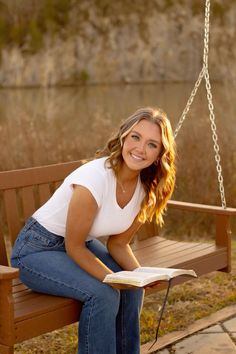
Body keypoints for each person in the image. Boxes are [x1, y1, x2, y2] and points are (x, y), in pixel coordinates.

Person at [11, 106, 176, 354]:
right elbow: (74, 246)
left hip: (78, 246)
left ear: (160, 154)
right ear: (123, 136)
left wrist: (139, 275)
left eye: (152, 144)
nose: (141, 149)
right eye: (136, 137)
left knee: (132, 290)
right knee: (104, 294)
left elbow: (118, 244)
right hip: (36, 250)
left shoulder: (146, 190)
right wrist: (112, 280)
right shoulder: (94, 179)